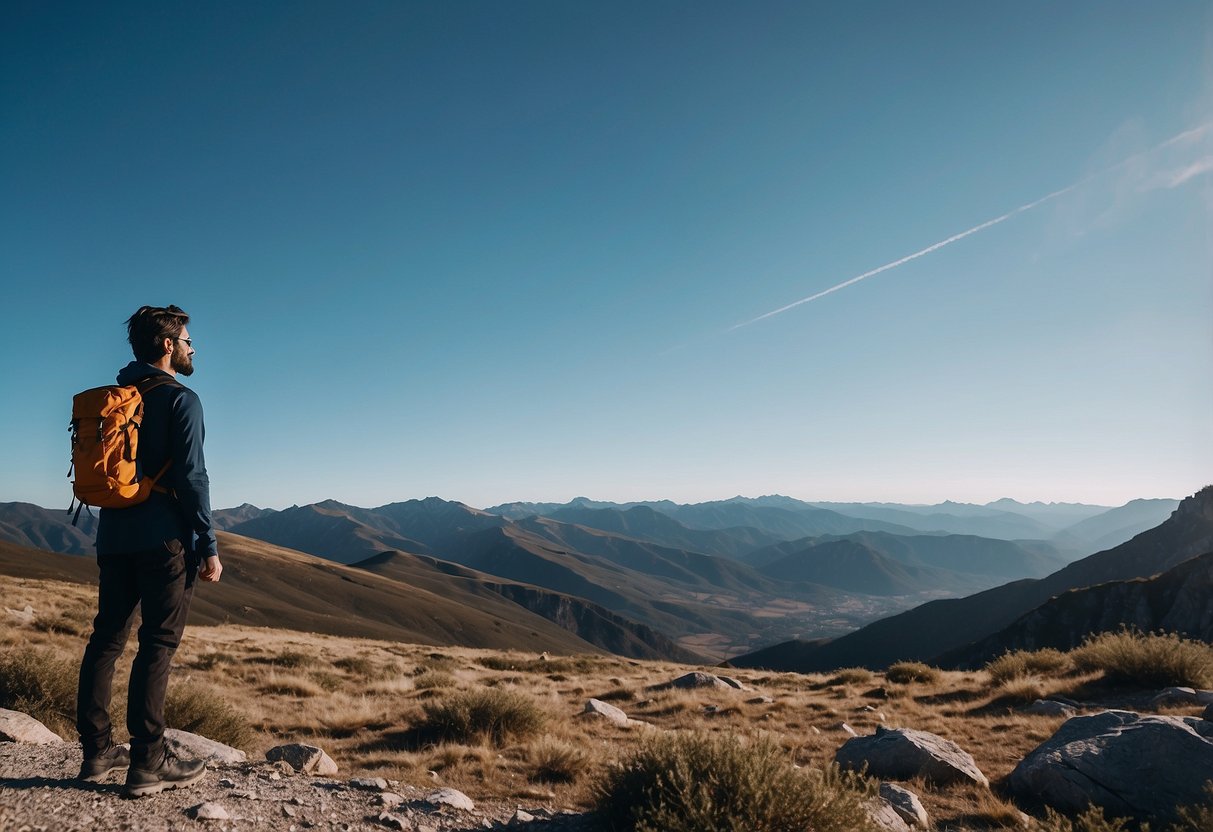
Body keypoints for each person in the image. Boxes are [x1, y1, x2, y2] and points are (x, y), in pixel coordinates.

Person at [76, 304, 222, 797]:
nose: (191, 347)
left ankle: (95, 753)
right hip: (165, 541)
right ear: (167, 346)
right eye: (186, 340)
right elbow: (193, 478)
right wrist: (208, 545)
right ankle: (148, 761)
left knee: (106, 641)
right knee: (157, 644)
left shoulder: (117, 396)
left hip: (113, 536)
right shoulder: (182, 399)